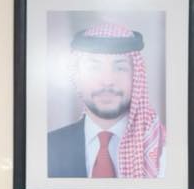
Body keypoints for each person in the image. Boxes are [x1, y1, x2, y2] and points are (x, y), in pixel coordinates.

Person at [47, 23, 165, 179]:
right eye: (94, 68)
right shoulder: (47, 148)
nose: (107, 81)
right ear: (77, 77)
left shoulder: (162, 149)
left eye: (120, 68)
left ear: (135, 77)